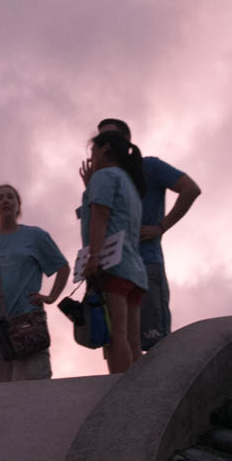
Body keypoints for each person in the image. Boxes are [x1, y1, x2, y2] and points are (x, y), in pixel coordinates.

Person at [97, 118, 201, 350]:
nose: (106, 145)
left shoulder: (149, 167)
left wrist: (161, 226)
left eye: (111, 138)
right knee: (118, 346)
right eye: (101, 140)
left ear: (126, 142)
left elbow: (191, 189)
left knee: (156, 347)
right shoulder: (102, 179)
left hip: (146, 264)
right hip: (112, 271)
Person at [0, 184, 70, 383]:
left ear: (18, 205)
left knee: (32, 386)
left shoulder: (35, 236)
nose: (5, 200)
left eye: (10, 197)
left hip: (26, 319)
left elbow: (62, 267)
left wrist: (51, 297)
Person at [80, 130, 148, 373]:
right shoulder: (129, 182)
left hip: (113, 265)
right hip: (136, 270)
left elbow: (100, 215)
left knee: (115, 335)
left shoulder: (105, 176)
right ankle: (140, 392)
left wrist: (93, 257)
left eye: (93, 152)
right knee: (132, 338)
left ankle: (121, 394)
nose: (92, 158)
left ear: (105, 148)